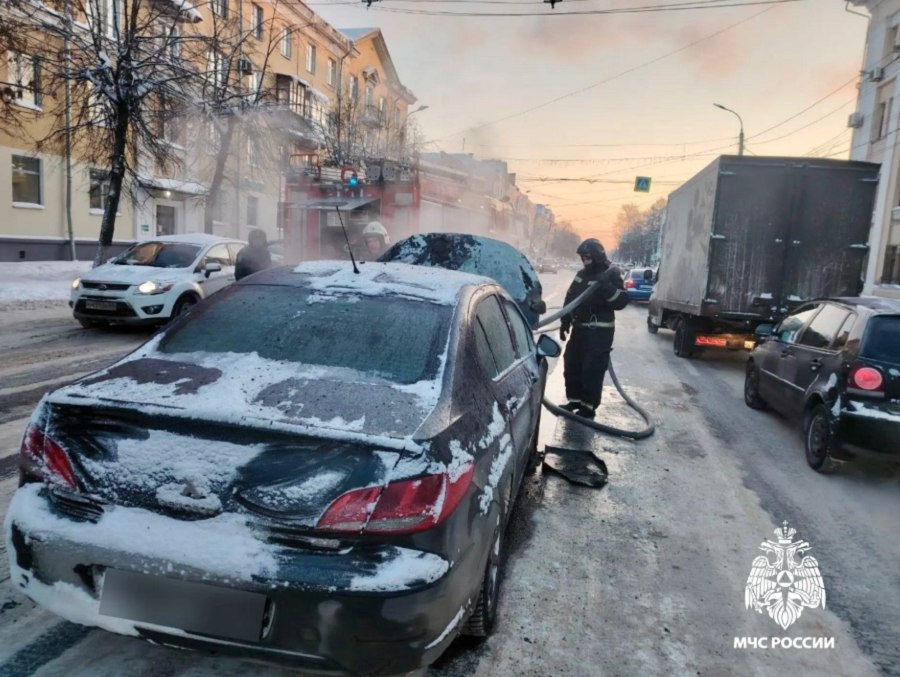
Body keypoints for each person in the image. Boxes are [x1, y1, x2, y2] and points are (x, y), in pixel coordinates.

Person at [558, 238, 629, 419]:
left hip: (599, 331)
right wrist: (565, 320)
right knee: (572, 364)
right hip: (580, 328)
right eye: (582, 257)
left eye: (587, 257)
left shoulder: (611, 275)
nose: (584, 260)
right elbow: (571, 298)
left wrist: (605, 285)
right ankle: (574, 401)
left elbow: (620, 302)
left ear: (597, 256)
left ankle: (587, 408)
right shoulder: (582, 274)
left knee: (592, 369)